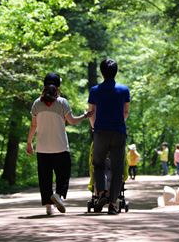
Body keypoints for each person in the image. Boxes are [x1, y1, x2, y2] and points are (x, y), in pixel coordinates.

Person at [26, 72, 91, 215]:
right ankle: (58, 195)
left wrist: (29, 143)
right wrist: (85, 115)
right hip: (60, 147)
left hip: (42, 148)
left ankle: (49, 206)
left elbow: (33, 126)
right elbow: (72, 121)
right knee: (63, 174)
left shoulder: (37, 103)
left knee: (45, 177)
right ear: (58, 86)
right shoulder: (62, 102)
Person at [88, 59, 130, 215]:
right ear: (116, 72)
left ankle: (101, 193)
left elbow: (91, 113)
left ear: (101, 72)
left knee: (98, 163)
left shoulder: (94, 90)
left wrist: (94, 127)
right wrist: (118, 122)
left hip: (100, 132)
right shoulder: (124, 90)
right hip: (119, 132)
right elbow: (126, 112)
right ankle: (113, 204)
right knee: (117, 168)